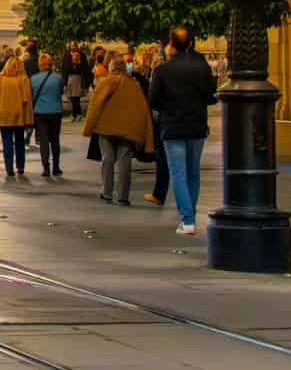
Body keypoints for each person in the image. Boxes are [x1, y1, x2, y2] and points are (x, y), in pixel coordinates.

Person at [147, 25, 218, 236]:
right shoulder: (201, 66)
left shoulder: (163, 70)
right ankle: (190, 216)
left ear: (171, 44)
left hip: (173, 126)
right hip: (196, 125)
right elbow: (209, 95)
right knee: (193, 172)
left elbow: (154, 100)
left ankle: (188, 219)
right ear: (190, 43)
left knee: (178, 173)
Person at [81, 55, 154, 206]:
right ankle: (123, 196)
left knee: (107, 159)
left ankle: (107, 193)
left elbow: (95, 105)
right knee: (125, 160)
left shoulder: (106, 81)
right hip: (128, 130)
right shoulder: (134, 85)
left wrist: (88, 128)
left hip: (106, 127)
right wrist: (144, 134)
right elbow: (143, 110)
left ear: (111, 68)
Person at [0, 55, 35, 178]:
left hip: (3, 114)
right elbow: (28, 100)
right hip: (19, 115)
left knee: (6, 142)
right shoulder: (24, 79)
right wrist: (29, 119)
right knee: (19, 141)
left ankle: (9, 168)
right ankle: (20, 167)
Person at [134, 46, 170, 208]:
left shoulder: (160, 72)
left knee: (164, 160)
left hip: (166, 120)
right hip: (191, 123)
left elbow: (153, 99)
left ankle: (160, 195)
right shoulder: (195, 67)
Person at [28, 56, 64, 177]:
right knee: (55, 140)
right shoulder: (58, 78)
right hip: (55, 112)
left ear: (40, 65)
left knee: (43, 141)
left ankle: (46, 167)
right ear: (51, 64)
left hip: (40, 112)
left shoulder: (33, 79)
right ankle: (56, 167)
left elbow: (31, 96)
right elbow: (60, 93)